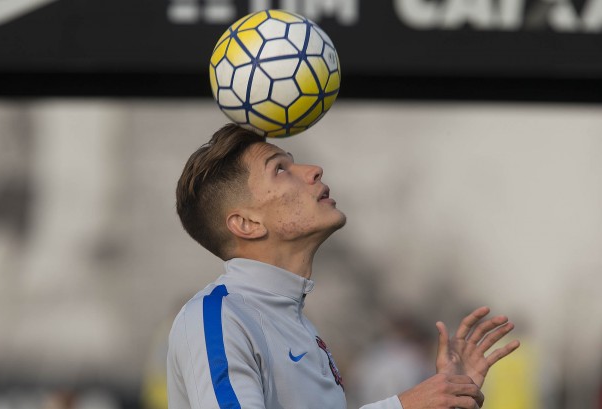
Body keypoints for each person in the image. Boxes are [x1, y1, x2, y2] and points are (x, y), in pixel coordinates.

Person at [167, 123, 520, 409]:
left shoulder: (303, 328)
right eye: (280, 169)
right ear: (247, 223)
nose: (312, 170)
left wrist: (450, 400)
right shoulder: (215, 318)